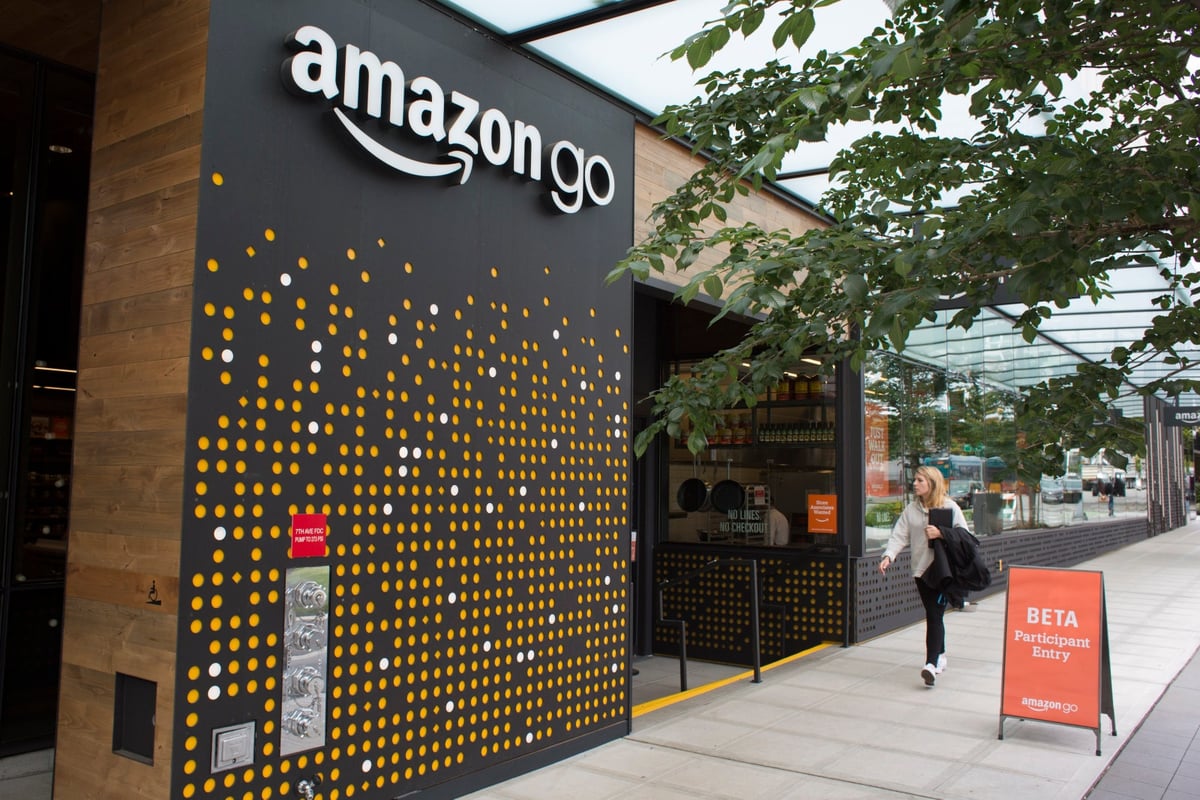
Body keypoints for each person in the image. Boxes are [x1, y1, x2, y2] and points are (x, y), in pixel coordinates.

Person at [879, 465, 969, 687]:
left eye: (920, 480)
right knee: (934, 613)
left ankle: (930, 664)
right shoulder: (912, 509)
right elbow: (899, 535)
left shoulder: (950, 507)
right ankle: (942, 654)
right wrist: (889, 556)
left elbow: (966, 536)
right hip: (920, 571)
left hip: (943, 571)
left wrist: (941, 533)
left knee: (934, 614)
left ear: (932, 483)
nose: (915, 484)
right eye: (915, 480)